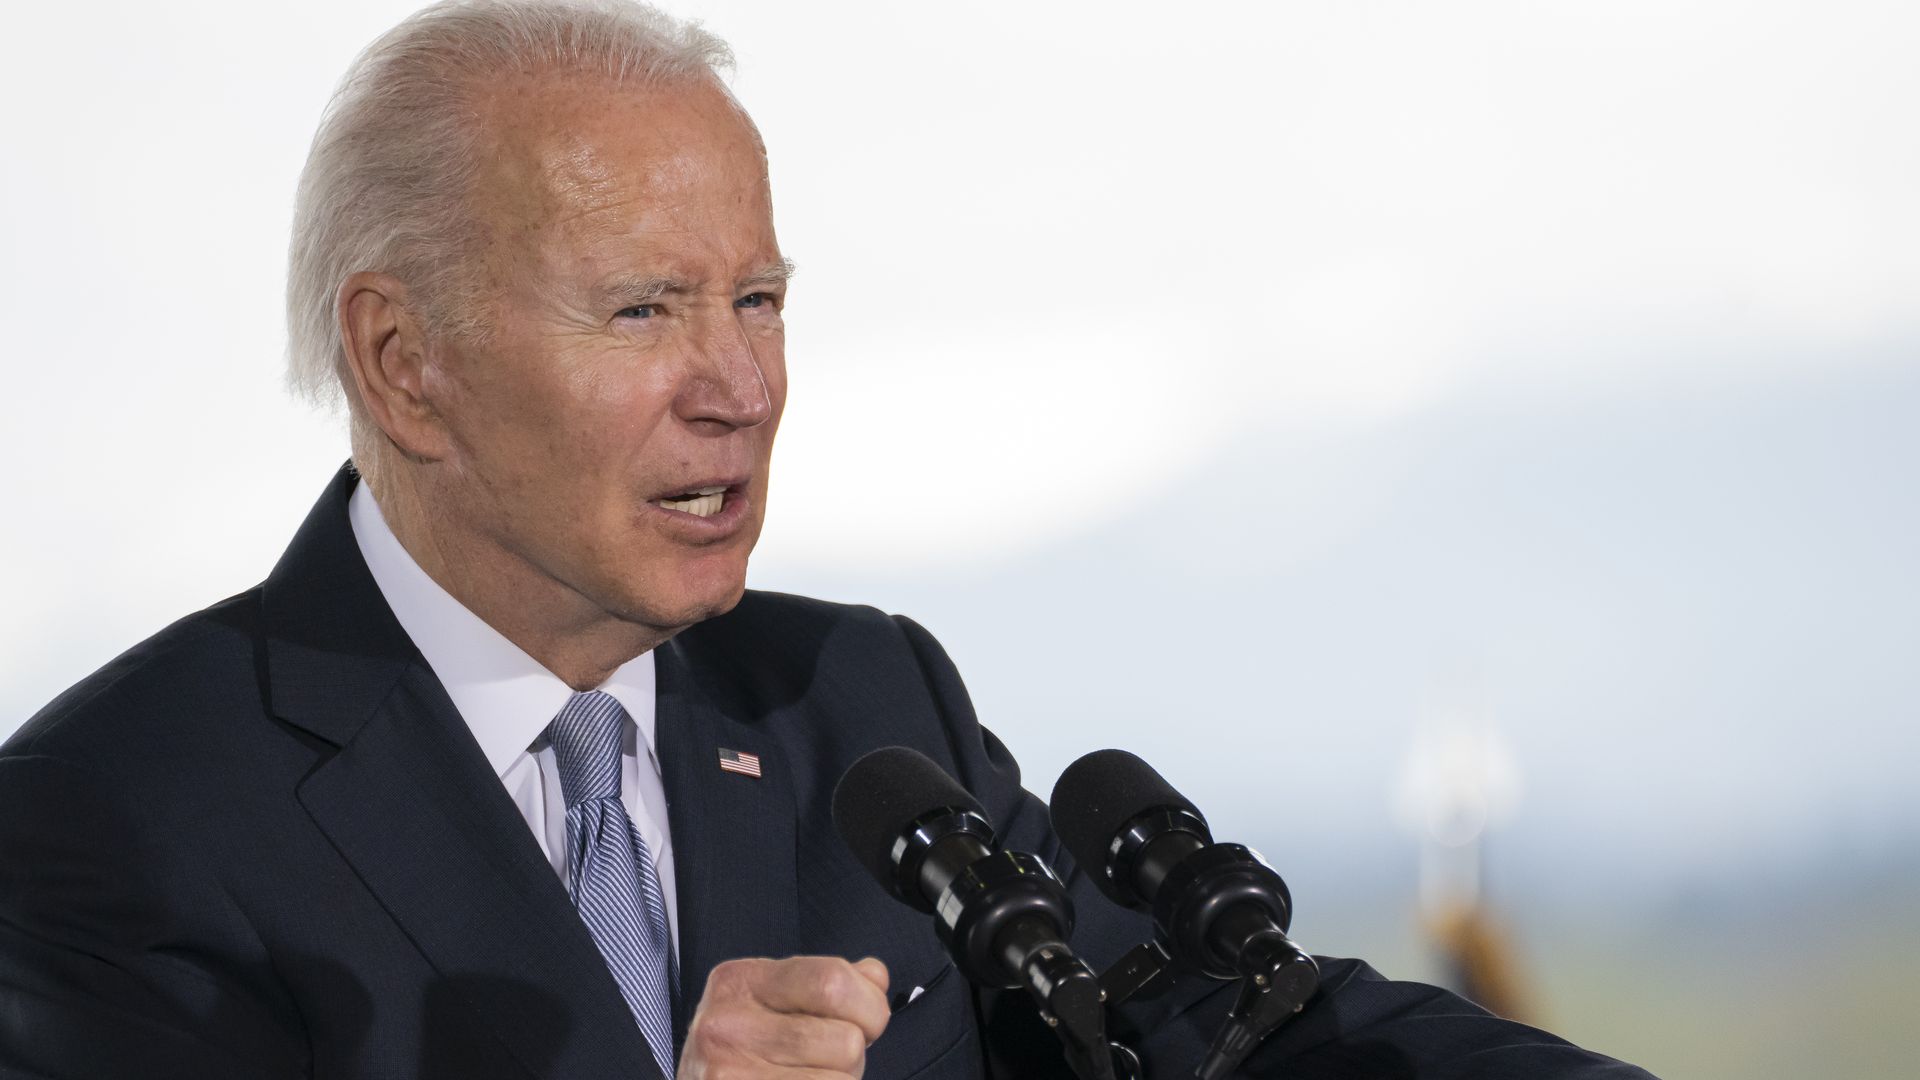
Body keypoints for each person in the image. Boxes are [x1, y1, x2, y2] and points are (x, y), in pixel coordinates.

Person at [0, 2, 1654, 1077]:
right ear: (402, 361)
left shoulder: (855, 703)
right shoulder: (111, 825)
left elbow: (1237, 1031)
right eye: (645, 308)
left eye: (760, 300)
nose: (738, 385)